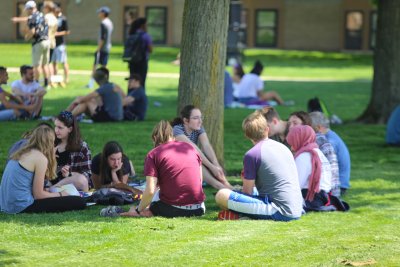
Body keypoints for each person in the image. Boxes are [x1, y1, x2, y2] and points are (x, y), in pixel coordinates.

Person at [215, 111, 303, 221]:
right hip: (297, 208)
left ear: (247, 135)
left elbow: (248, 193)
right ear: (267, 129)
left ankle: (244, 216)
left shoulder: (252, 154)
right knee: (241, 191)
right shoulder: (283, 148)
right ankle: (245, 215)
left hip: (280, 211)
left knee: (221, 195)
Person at [121, 120, 205, 218]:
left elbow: (150, 190)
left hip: (172, 209)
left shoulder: (153, 154)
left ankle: (139, 212)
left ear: (155, 138)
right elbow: (199, 181)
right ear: (173, 137)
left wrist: (138, 210)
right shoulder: (190, 148)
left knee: (151, 199)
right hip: (199, 208)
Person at [0, 125, 86, 214]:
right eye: (53, 142)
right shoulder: (40, 158)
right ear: (49, 143)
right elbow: (38, 195)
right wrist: (61, 194)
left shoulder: (22, 151)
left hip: (6, 204)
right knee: (79, 201)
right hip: (21, 206)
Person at [171, 105, 232, 190]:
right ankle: (219, 186)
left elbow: (206, 146)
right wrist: (211, 167)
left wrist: (216, 165)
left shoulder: (198, 128)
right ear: (185, 120)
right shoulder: (177, 130)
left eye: (201, 117)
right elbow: (194, 149)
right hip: (174, 165)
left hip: (190, 160)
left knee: (201, 159)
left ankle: (227, 185)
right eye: (196, 118)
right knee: (194, 160)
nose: (200, 121)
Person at [288, 111, 340, 197]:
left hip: (319, 196)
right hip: (325, 195)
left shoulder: (309, 151)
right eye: (289, 124)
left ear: (306, 125)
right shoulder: (313, 148)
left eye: (295, 123)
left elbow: (296, 185)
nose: (290, 127)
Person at [286, 125, 333, 211]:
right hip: (325, 197)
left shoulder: (304, 156)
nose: (292, 148)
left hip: (311, 198)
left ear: (300, 140)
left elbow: (296, 185)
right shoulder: (318, 152)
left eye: (293, 143)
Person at [309, 111, 351, 195]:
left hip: (337, 185)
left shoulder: (329, 142)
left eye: (309, 128)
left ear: (318, 128)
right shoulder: (331, 136)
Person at [51, 111, 92, 191]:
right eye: (55, 126)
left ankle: (52, 190)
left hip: (72, 187)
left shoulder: (81, 147)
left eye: (60, 128)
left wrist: (70, 174)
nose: (56, 130)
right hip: (51, 183)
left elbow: (87, 175)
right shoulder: (51, 143)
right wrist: (50, 159)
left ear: (70, 129)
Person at [18, 1, 51, 87]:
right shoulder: (42, 15)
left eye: (27, 9)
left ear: (30, 8)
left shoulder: (32, 18)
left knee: (37, 65)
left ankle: (36, 83)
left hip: (38, 42)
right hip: (47, 41)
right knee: (45, 64)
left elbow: (32, 31)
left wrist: (27, 38)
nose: (27, 11)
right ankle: (47, 83)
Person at [87, 6, 113, 89]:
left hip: (103, 48)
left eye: (100, 12)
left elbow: (103, 37)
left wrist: (98, 48)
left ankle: (91, 83)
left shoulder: (103, 23)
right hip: (108, 47)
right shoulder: (110, 22)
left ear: (103, 13)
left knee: (95, 65)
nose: (98, 14)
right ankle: (105, 81)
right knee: (104, 66)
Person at [127, 17, 153, 88]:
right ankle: (140, 97)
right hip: (142, 61)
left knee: (132, 80)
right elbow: (150, 49)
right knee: (141, 82)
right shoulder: (146, 36)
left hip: (132, 61)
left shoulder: (131, 34)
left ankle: (131, 96)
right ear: (142, 25)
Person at [51, 4, 70, 87]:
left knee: (63, 61)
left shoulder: (63, 19)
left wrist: (57, 34)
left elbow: (67, 31)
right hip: (53, 43)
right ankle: (56, 79)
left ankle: (67, 78)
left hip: (60, 44)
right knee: (54, 63)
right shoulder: (53, 18)